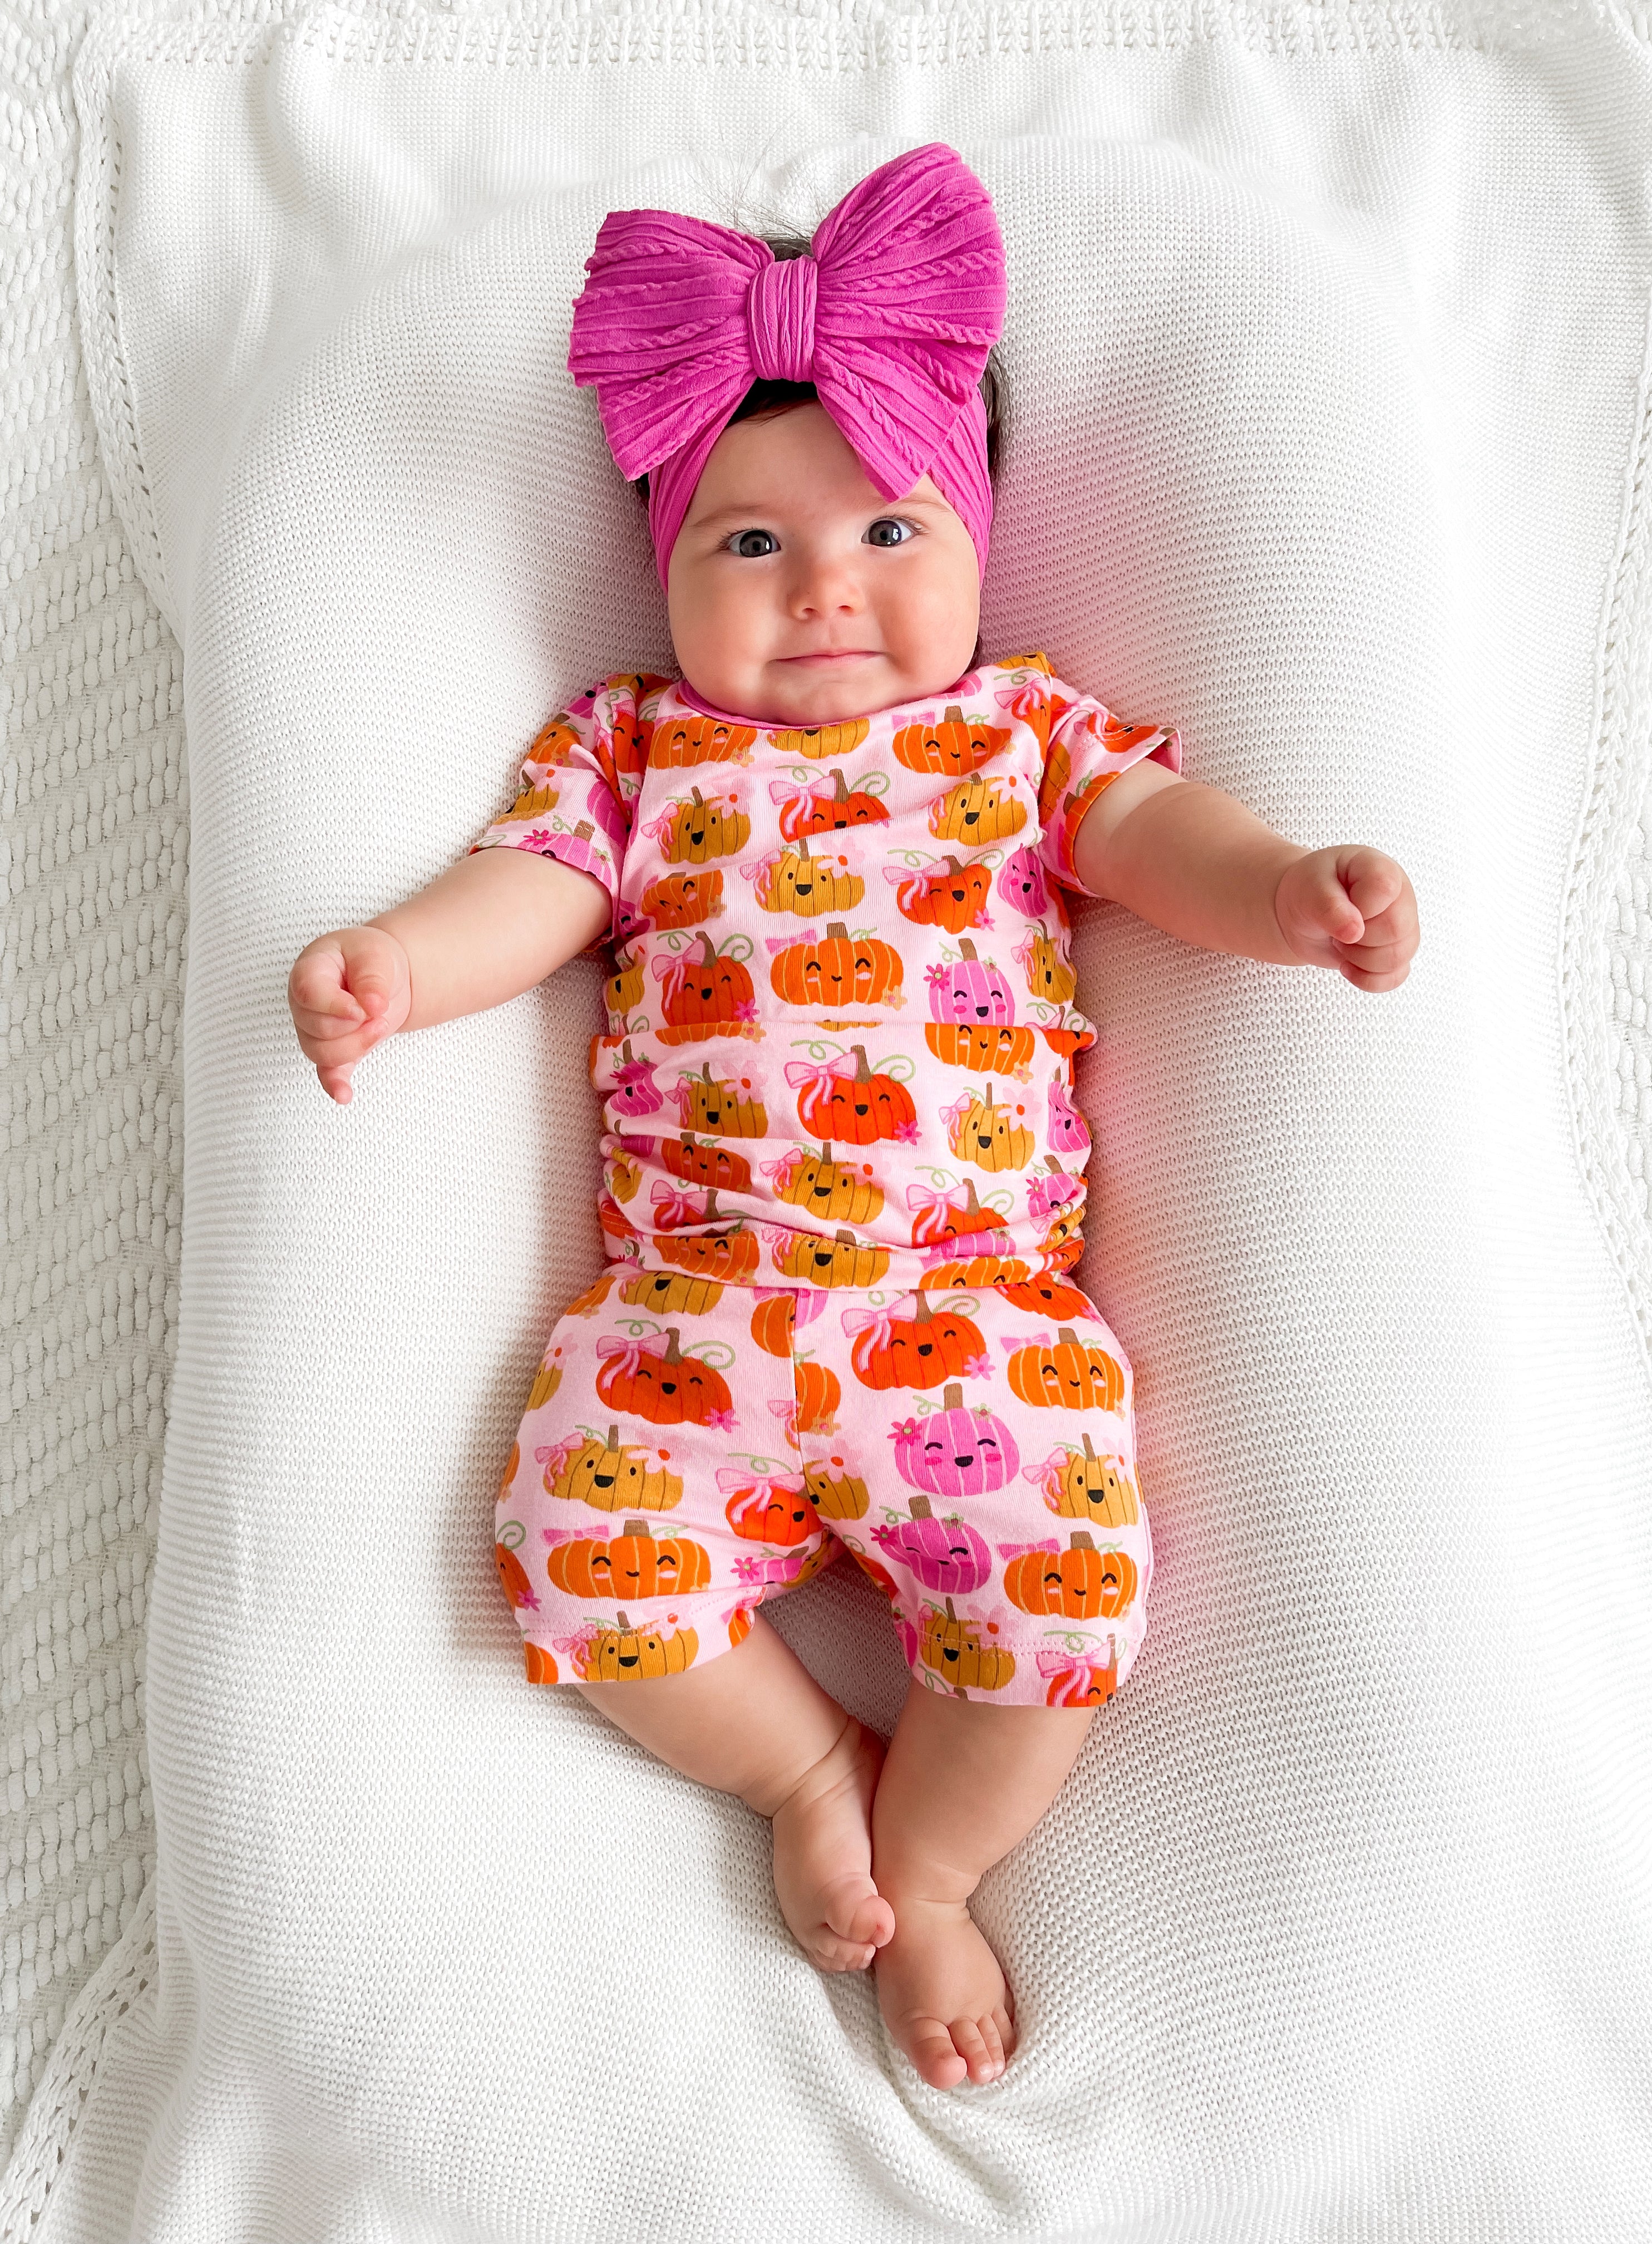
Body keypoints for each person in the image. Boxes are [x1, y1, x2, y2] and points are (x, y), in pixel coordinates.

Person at [287, 144, 1419, 2092]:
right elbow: (530, 890)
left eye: (890, 533)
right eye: (748, 547)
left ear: (976, 544)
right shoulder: (635, 751)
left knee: (1059, 1602)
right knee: (570, 1547)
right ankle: (809, 1767)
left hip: (970, 1309)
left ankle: (943, 1861)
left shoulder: (1018, 736)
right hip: (688, 1315)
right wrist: (398, 960)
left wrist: (1292, 893)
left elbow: (1161, 845)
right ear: (663, 569)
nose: (824, 587)